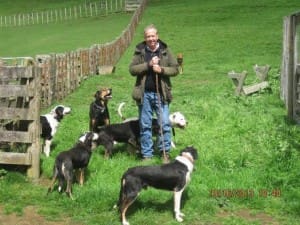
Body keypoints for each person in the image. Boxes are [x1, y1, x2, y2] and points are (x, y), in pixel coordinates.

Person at [129, 24, 179, 162]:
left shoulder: (165, 50)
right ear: (145, 38)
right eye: (148, 36)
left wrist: (162, 70)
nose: (151, 39)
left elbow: (175, 69)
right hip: (144, 94)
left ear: (157, 36)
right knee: (145, 125)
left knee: (164, 124)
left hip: (161, 94)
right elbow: (132, 70)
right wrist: (148, 65)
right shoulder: (140, 51)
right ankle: (147, 155)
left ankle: (165, 153)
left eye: (153, 36)